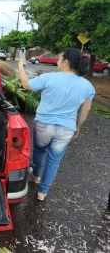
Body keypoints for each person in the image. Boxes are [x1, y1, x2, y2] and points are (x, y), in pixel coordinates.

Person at [18, 47, 95, 201]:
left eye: (60, 58)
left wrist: (20, 65)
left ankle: (36, 176)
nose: (58, 60)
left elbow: (26, 84)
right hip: (67, 128)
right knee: (54, 160)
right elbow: (85, 111)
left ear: (66, 62)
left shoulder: (50, 78)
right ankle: (42, 192)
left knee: (39, 152)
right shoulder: (88, 86)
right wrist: (77, 126)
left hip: (44, 125)